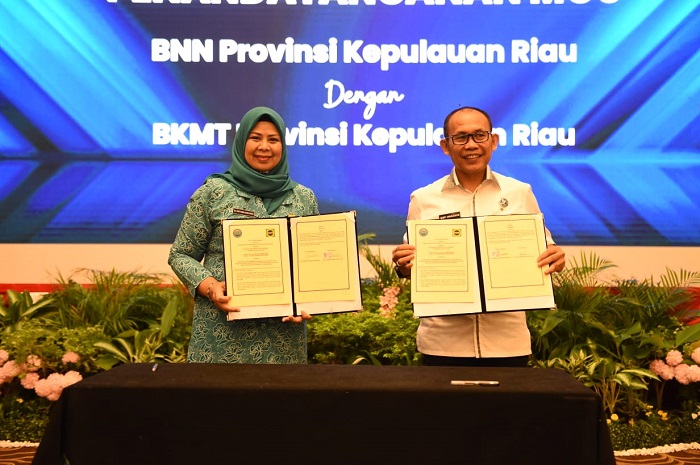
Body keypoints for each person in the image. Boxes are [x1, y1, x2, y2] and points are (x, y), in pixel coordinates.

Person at [391, 106, 566, 368]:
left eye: (479, 135)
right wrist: (404, 266)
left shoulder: (519, 193)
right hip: (443, 344)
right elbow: (410, 266)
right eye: (461, 137)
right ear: (446, 146)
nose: (471, 144)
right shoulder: (424, 198)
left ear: (493, 141)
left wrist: (555, 258)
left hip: (507, 343)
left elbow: (545, 250)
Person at [168, 106, 319, 364]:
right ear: (241, 142)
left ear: (283, 146)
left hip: (283, 341)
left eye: (273, 139)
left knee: (283, 392)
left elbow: (311, 263)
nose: (264, 147)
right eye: (255, 138)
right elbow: (180, 254)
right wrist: (211, 287)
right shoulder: (213, 192)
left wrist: (307, 302)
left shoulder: (303, 198)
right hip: (221, 337)